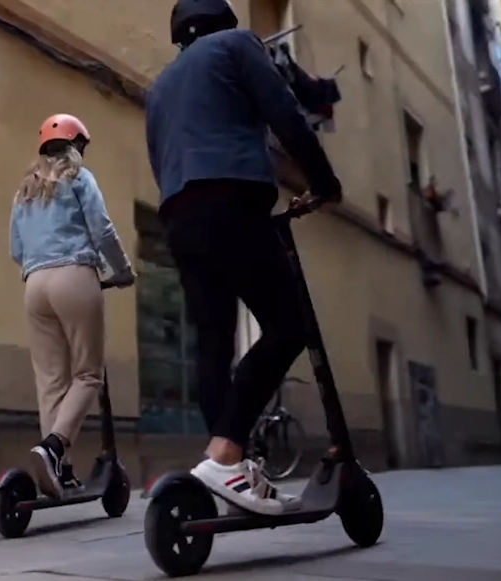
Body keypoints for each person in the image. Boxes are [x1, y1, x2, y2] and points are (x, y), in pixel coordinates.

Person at [145, 0, 343, 515]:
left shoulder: (161, 86)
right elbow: (284, 113)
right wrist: (324, 182)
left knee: (213, 341)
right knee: (287, 326)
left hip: (179, 212)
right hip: (230, 198)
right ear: (224, 20)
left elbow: (158, 155)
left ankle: (226, 469)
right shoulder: (238, 45)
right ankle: (227, 451)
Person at [10, 114, 135, 498]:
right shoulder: (80, 178)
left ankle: (59, 472)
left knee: (51, 382)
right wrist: (123, 271)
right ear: (77, 146)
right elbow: (101, 228)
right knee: (87, 376)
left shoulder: (25, 191)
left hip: (34, 285)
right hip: (74, 277)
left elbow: (16, 250)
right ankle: (54, 447)